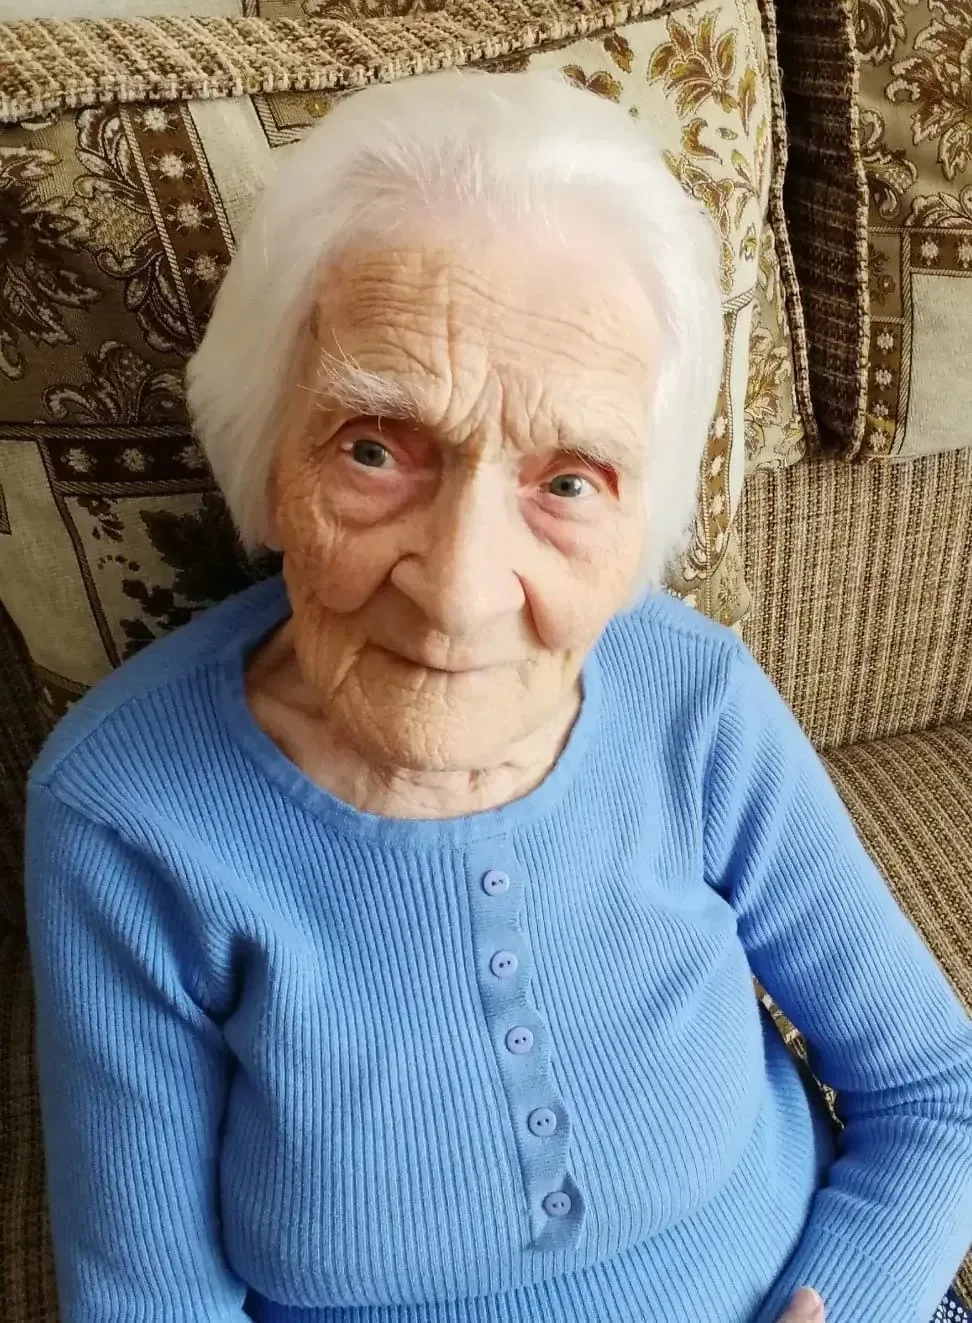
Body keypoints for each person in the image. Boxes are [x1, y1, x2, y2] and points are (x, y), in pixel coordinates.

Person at [24, 69, 972, 1323]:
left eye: (568, 482)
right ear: (266, 455)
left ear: (639, 529)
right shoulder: (123, 815)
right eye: (375, 448)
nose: (461, 593)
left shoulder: (693, 704)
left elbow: (937, 1094)